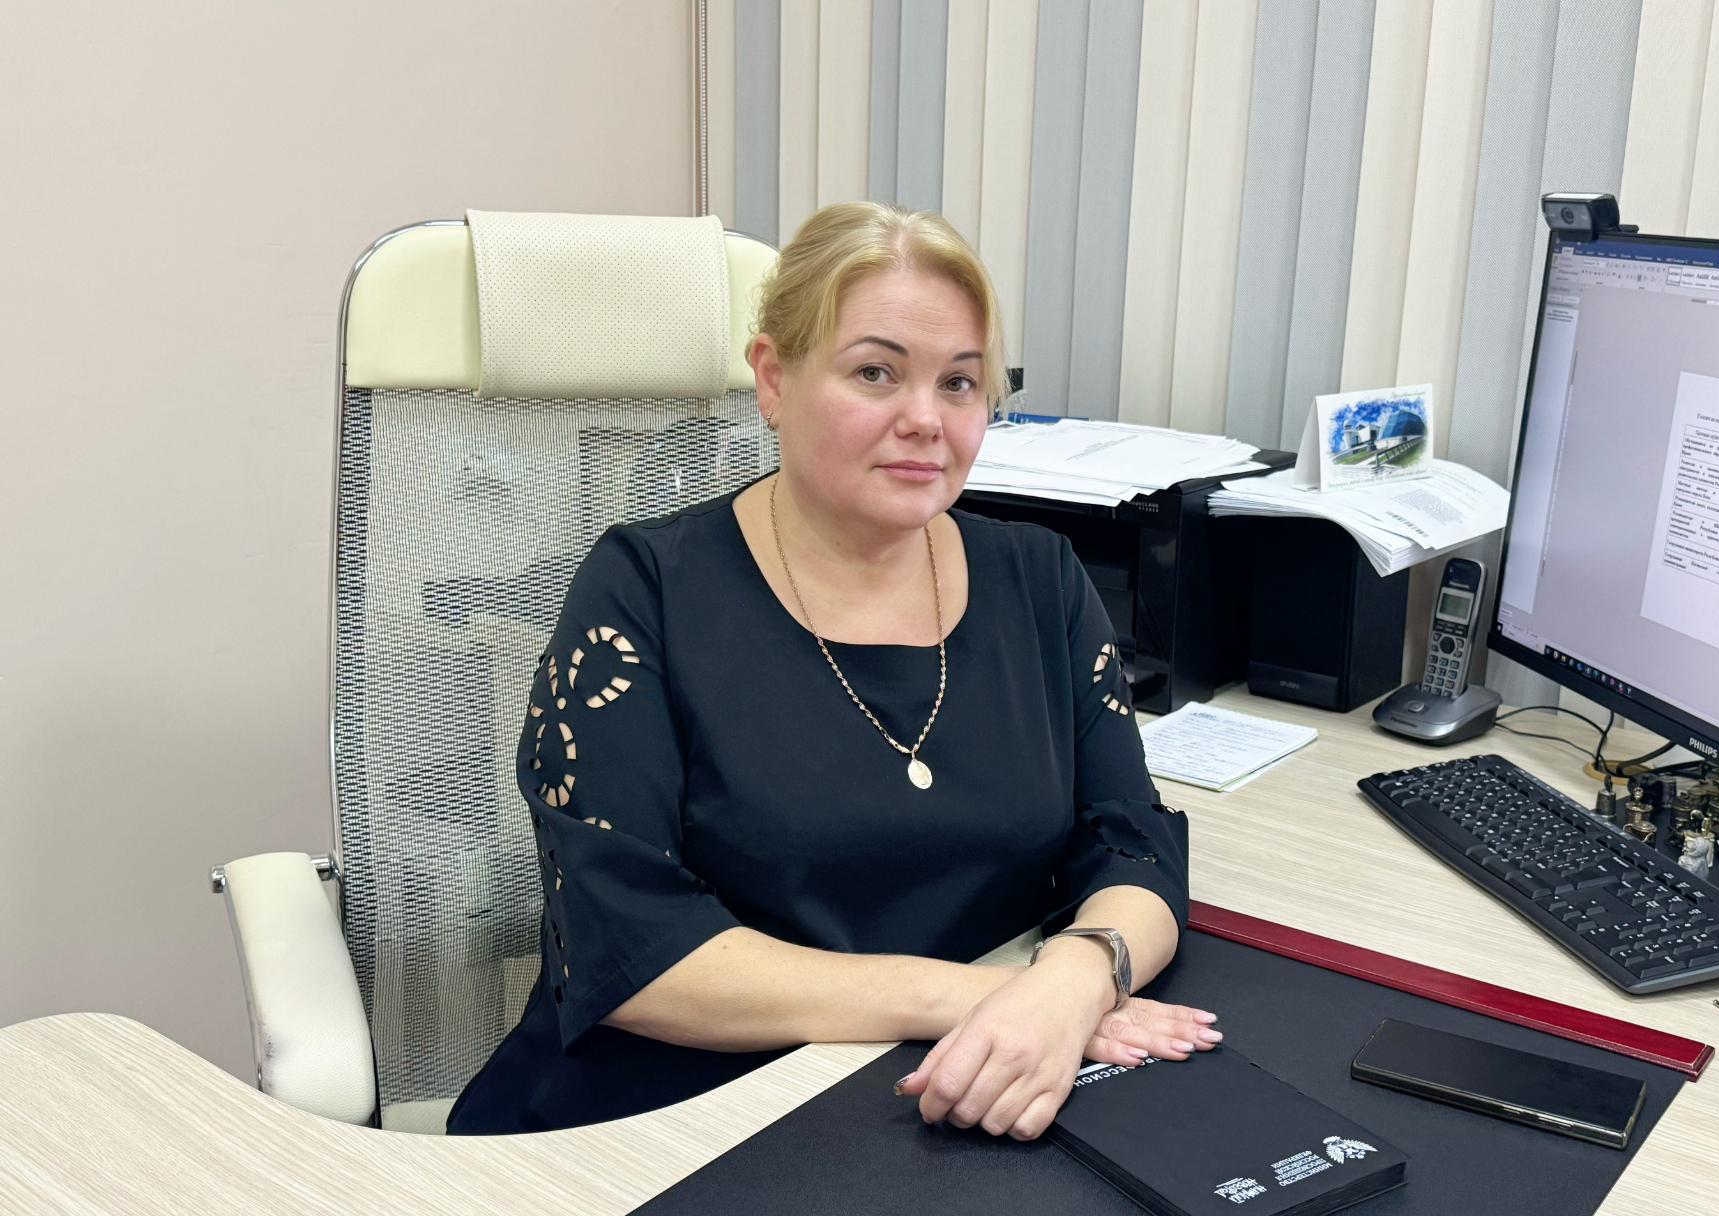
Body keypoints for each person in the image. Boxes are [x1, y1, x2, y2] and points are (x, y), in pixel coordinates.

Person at [447, 201, 1215, 1139]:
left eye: (960, 382)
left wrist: (1078, 977)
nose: (925, 420)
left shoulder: (1041, 578)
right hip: (675, 1116)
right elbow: (633, 951)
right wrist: (995, 998)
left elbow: (1133, 844)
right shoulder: (643, 588)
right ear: (774, 379)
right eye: (875, 372)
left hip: (956, 1093)